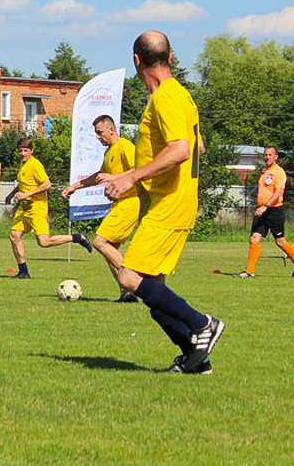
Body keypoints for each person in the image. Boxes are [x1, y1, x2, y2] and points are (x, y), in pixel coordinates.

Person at [104, 31, 224, 374]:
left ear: (136, 60)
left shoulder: (166, 98)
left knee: (128, 278)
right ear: (170, 57)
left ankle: (203, 325)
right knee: (153, 288)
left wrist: (131, 176)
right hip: (175, 199)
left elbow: (181, 150)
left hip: (170, 203)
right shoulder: (181, 96)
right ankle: (194, 357)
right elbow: (197, 147)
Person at [62, 115, 141, 302]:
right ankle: (127, 293)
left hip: (131, 202)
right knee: (109, 248)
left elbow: (140, 168)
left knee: (99, 242)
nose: (98, 137)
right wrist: (75, 186)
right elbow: (99, 176)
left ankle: (138, 283)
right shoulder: (110, 152)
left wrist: (113, 178)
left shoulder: (125, 146)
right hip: (118, 204)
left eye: (100, 133)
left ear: (111, 130)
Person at [4, 137, 93, 279]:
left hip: (37, 208)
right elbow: (23, 184)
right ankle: (23, 272)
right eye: (20, 151)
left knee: (44, 242)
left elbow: (47, 184)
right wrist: (11, 195)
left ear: (31, 151)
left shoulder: (35, 165)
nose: (22, 153)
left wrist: (27, 194)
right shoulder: (24, 166)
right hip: (24, 208)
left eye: (26, 151)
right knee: (14, 236)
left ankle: (77, 237)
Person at [238, 146, 294, 277]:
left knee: (280, 241)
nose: (267, 157)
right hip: (261, 210)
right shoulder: (264, 171)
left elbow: (278, 192)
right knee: (254, 238)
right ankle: (249, 272)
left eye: (270, 155)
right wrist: (261, 207)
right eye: (265, 155)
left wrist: (266, 206)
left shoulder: (279, 172)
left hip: (274, 210)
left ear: (276, 157)